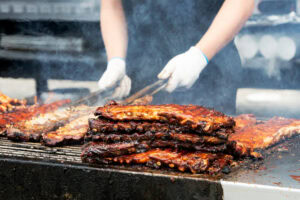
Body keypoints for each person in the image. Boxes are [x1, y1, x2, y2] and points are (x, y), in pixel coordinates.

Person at [98, 0, 254, 114]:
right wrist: (116, 60)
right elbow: (111, 5)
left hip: (210, 68)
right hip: (139, 72)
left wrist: (199, 56)